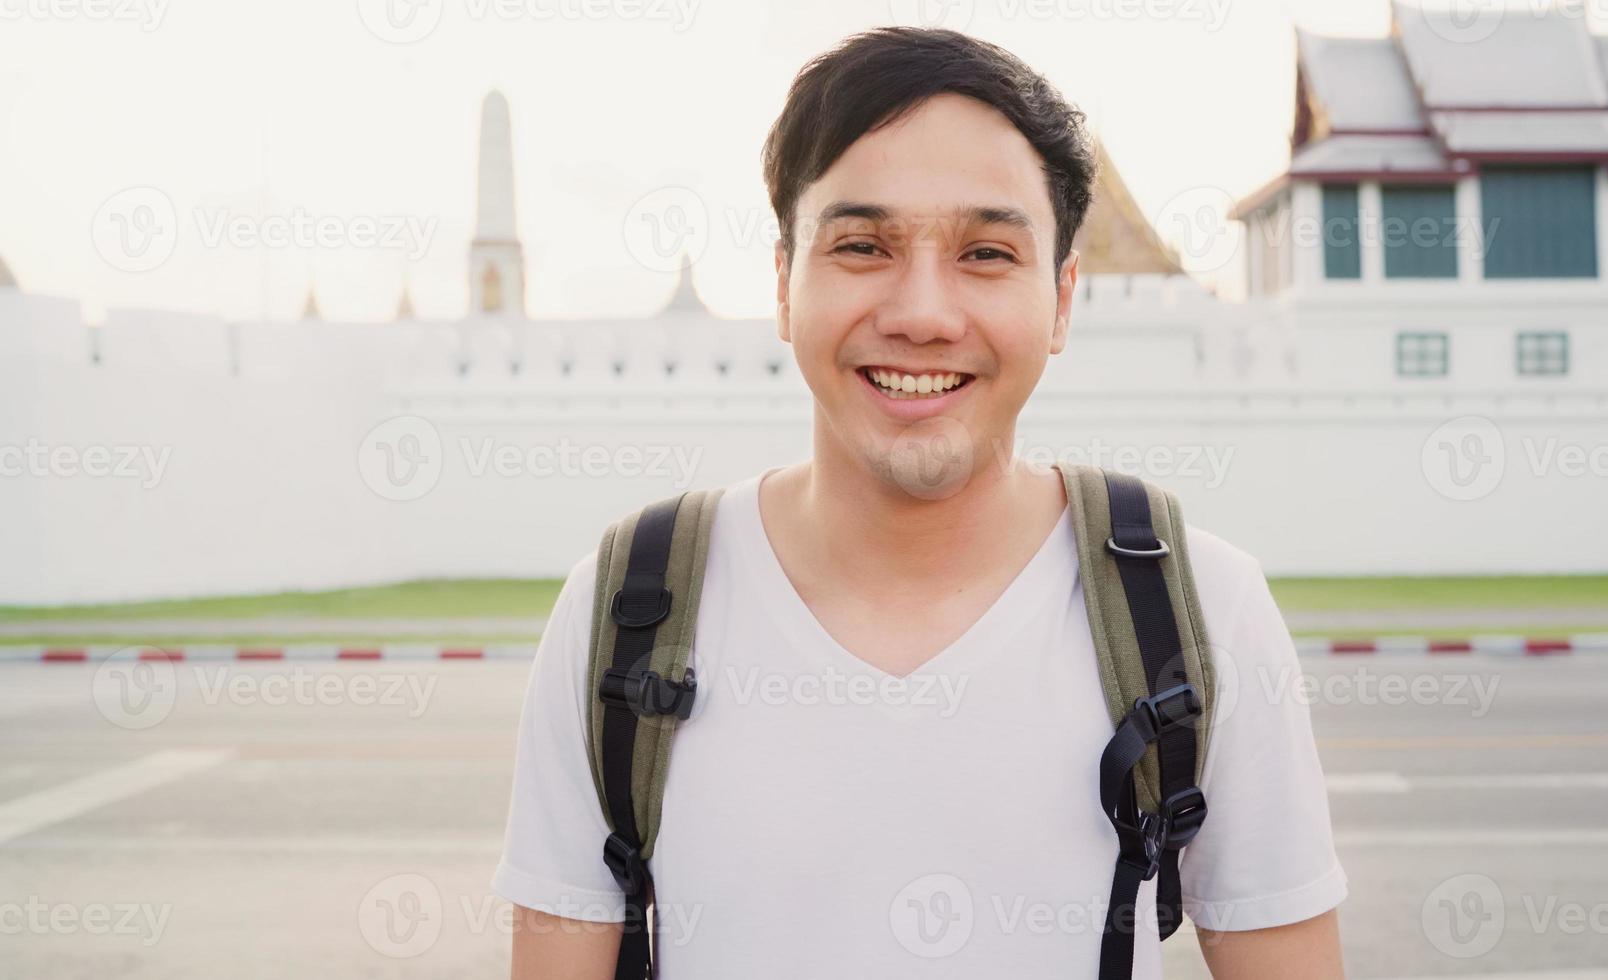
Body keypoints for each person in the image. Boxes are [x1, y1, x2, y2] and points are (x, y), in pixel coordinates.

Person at [493, 26, 1347, 979]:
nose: (924, 314)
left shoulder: (1200, 613)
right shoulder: (624, 614)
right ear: (784, 284)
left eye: (986, 253)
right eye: (862, 245)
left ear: (1063, 299)